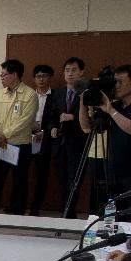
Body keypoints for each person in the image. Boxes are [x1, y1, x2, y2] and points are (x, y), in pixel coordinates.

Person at [78, 64, 131, 212]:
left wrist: (111, 111)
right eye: (114, 82)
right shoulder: (114, 105)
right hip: (112, 172)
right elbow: (86, 128)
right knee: (112, 217)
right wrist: (83, 103)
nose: (116, 86)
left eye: (120, 82)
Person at [0, 59, 39, 214]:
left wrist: (5, 134)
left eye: (4, 74)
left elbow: (26, 120)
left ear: (15, 75)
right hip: (1, 144)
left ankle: (19, 212)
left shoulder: (30, 94)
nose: (1, 77)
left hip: (20, 145)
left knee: (20, 181)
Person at [53, 57, 88, 213]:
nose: (70, 74)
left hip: (78, 144)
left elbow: (91, 120)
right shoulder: (58, 93)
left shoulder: (86, 94)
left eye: (74, 70)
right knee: (61, 182)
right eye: (67, 70)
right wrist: (52, 127)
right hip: (60, 144)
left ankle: (70, 212)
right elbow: (51, 117)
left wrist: (73, 118)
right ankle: (64, 211)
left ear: (81, 72)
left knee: (74, 182)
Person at [29, 65, 57, 214]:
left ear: (50, 77)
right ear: (34, 78)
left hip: (45, 141)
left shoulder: (56, 96)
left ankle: (36, 207)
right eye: (38, 76)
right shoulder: (28, 95)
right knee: (22, 174)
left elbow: (56, 118)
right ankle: (17, 205)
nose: (41, 79)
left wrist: (44, 132)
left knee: (42, 176)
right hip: (27, 139)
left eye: (44, 76)